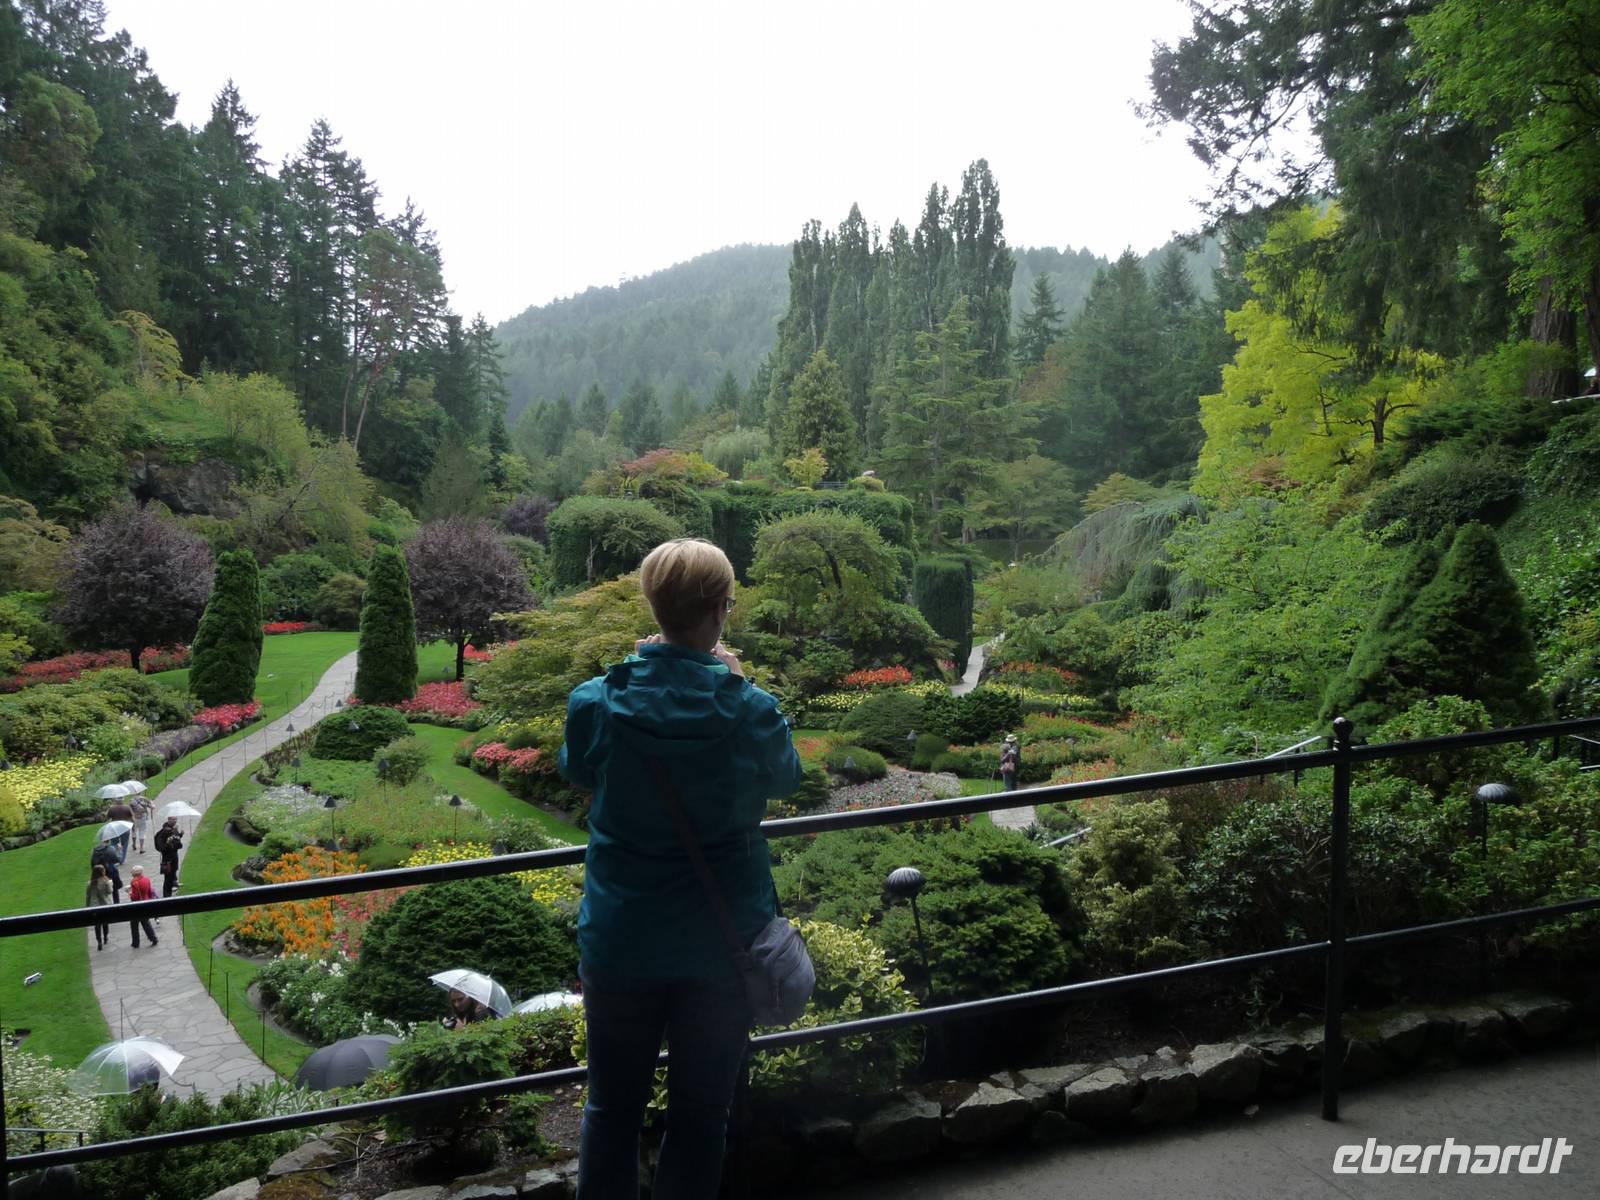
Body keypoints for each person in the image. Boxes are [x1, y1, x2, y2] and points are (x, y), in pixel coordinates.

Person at [559, 537, 802, 1200]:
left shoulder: (598, 702)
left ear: (654, 607)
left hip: (621, 938)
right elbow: (787, 777)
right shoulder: (750, 709)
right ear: (723, 608)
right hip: (722, 947)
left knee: (610, 1111)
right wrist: (735, 679)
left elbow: (579, 771)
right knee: (701, 1117)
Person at [126, 866, 158, 948]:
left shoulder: (134, 882)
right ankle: (153, 938)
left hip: (137, 905)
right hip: (146, 902)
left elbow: (135, 897)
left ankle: (135, 942)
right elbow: (149, 891)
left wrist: (129, 892)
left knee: (134, 924)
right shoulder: (146, 879)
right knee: (145, 922)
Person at [85, 864, 113, 950]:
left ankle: (99, 942)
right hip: (104, 904)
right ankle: (105, 937)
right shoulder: (105, 881)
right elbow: (109, 892)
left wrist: (87, 906)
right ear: (101, 872)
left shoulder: (90, 883)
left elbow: (88, 895)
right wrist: (110, 884)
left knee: (97, 925)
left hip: (94, 906)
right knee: (105, 923)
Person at [154, 817, 182, 898]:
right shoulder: (163, 833)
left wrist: (180, 835)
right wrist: (168, 843)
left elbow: (179, 845)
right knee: (168, 878)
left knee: (172, 874)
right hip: (167, 859)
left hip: (174, 856)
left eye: (176, 819)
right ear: (168, 820)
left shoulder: (174, 830)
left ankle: (171, 889)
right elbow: (161, 848)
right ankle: (166, 896)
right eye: (173, 819)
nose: (175, 821)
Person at [90, 838, 123, 904]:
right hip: (111, 872)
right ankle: (117, 904)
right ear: (109, 841)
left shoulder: (94, 850)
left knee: (101, 892)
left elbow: (92, 863)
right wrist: (119, 850)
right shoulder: (111, 848)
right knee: (115, 890)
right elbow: (118, 859)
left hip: (99, 873)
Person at [105, 796, 134, 862]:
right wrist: (133, 827)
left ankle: (115, 858)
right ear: (123, 800)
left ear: (115, 800)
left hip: (114, 828)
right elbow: (132, 818)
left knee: (113, 843)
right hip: (125, 827)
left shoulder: (112, 808)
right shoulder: (127, 807)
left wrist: (108, 810)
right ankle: (122, 860)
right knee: (125, 844)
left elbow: (107, 818)